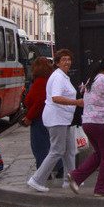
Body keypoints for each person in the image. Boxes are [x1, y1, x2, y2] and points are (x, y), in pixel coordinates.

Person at [26, 49, 83, 193]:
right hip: (57, 118)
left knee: (69, 151)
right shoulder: (58, 77)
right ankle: (37, 179)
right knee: (57, 150)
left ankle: (70, 180)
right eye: (63, 60)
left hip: (64, 119)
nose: (67, 62)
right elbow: (56, 98)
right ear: (57, 63)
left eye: (68, 59)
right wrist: (76, 102)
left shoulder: (63, 76)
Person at [67, 56, 104, 197]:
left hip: (88, 122)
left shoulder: (92, 80)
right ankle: (103, 188)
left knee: (99, 154)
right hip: (101, 123)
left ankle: (76, 177)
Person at [21, 57, 63, 177]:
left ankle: (44, 172)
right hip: (49, 118)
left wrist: (29, 117)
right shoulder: (49, 80)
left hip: (39, 119)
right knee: (51, 145)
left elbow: (39, 102)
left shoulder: (40, 82)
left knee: (40, 147)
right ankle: (59, 168)